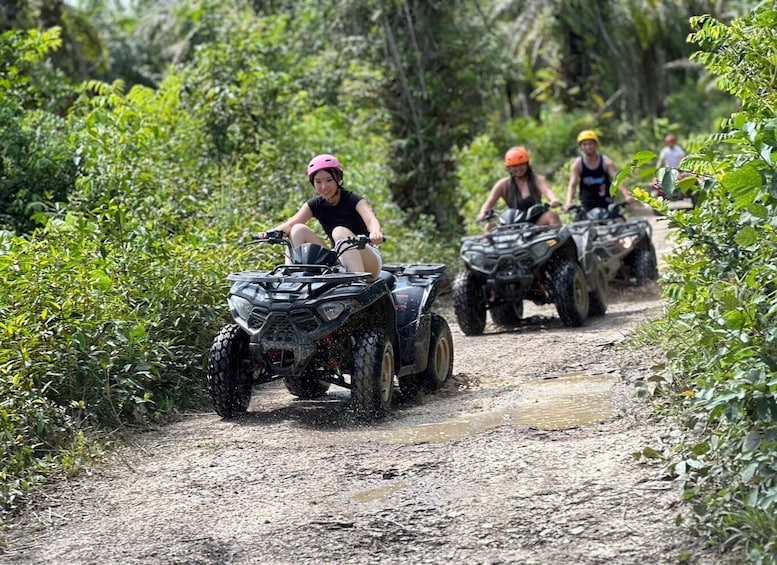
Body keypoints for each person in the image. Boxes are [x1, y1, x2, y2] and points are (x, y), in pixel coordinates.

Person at [258, 153, 384, 279]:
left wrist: (375, 232)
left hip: (367, 261)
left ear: (338, 178)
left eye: (329, 180)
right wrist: (269, 233)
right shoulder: (315, 204)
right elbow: (290, 223)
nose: (324, 187)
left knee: (339, 232)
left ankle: (358, 281)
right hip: (339, 259)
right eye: (318, 182)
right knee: (297, 229)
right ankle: (290, 277)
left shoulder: (353, 199)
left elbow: (371, 219)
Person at [476, 146, 562, 232]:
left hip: (535, 223)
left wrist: (554, 199)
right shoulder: (503, 184)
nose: (518, 168)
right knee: (489, 227)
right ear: (509, 168)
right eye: (514, 166)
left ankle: (556, 243)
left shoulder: (537, 180)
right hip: (513, 225)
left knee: (552, 216)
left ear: (527, 164)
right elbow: (489, 203)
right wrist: (482, 213)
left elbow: (547, 191)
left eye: (521, 164)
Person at [564, 130, 634, 215]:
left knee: (620, 222)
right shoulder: (578, 165)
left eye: (590, 143)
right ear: (581, 147)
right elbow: (573, 185)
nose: (588, 147)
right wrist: (569, 202)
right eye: (585, 144)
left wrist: (627, 195)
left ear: (596, 144)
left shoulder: (606, 162)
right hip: (587, 205)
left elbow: (617, 179)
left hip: (607, 203)